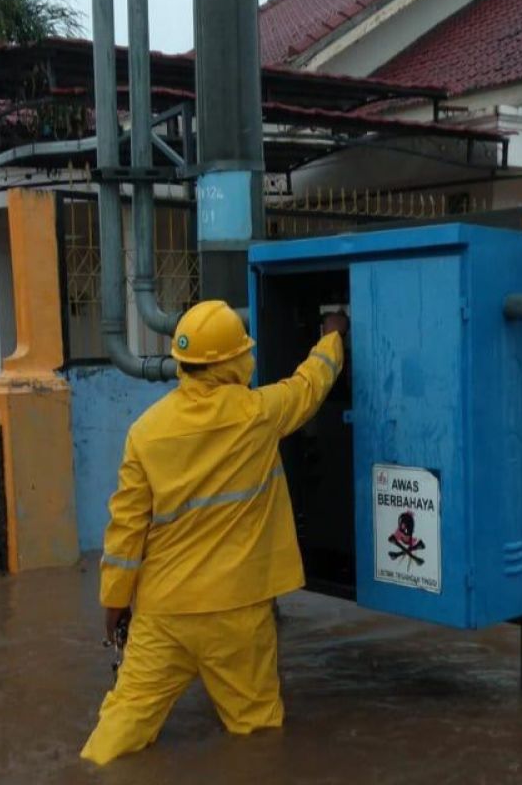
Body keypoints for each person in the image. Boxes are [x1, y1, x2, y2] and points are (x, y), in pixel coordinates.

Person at [80, 300, 348, 765]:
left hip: (163, 614)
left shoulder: (145, 433)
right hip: (237, 611)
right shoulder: (258, 414)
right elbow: (311, 383)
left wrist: (114, 604)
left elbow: (124, 532)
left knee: (117, 734)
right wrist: (333, 335)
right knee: (258, 735)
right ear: (232, 361)